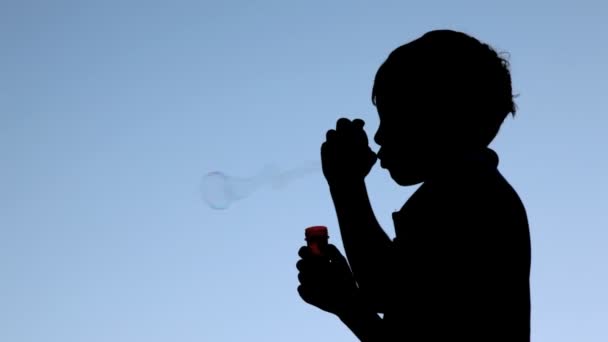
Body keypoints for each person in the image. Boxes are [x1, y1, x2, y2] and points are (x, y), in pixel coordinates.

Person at [296, 29, 531, 341]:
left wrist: (346, 184)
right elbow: (396, 296)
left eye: (391, 119)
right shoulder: (476, 191)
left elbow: (383, 286)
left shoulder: (465, 197)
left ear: (436, 119)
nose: (378, 137)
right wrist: (347, 300)